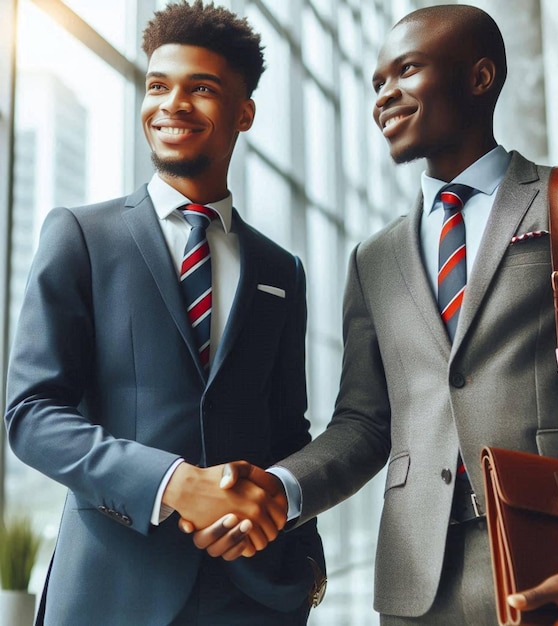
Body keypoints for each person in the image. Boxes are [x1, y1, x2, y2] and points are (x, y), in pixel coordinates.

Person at [192, 4, 558, 625]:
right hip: (417, 586)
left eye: (407, 71)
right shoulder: (376, 257)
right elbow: (365, 424)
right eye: (376, 84)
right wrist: (280, 490)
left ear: (481, 78)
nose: (384, 97)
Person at [3, 1, 324, 624]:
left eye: (201, 89)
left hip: (253, 598)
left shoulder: (280, 271)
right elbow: (31, 413)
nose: (172, 104)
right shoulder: (81, 235)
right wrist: (174, 483)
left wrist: (305, 564)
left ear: (244, 112)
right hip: (111, 589)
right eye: (158, 86)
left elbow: (288, 432)